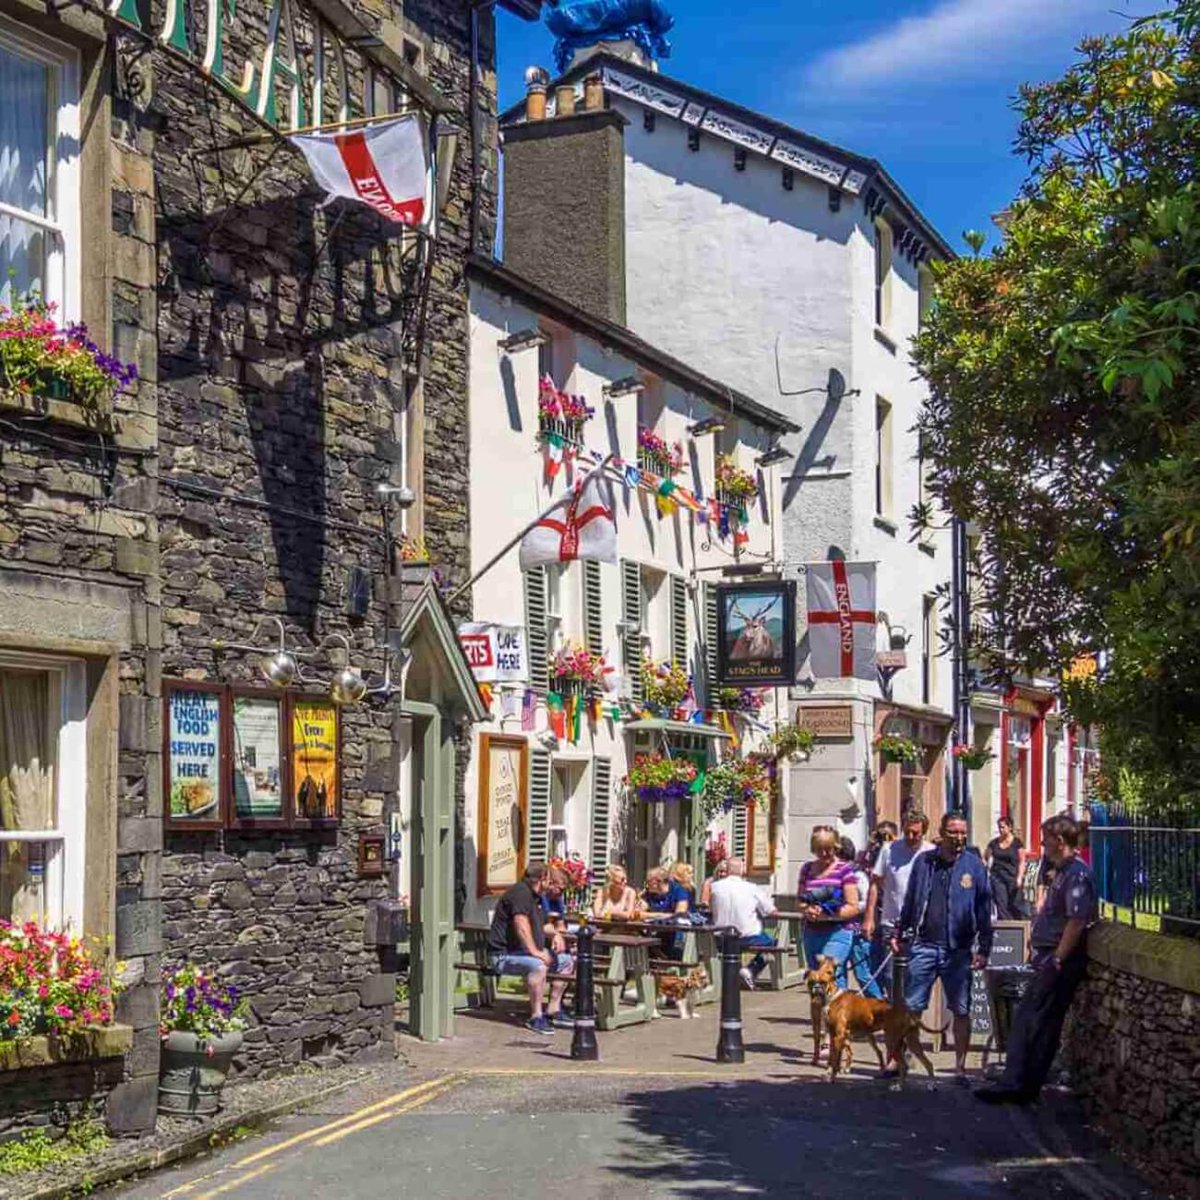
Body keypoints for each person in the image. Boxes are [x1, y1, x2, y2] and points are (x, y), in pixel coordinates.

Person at [976, 814, 1097, 1105]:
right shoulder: (1063, 871)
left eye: (1044, 840)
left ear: (1058, 841)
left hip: (1058, 960)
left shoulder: (1077, 874)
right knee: (1039, 1024)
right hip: (1050, 955)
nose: (1041, 845)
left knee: (1031, 1020)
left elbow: (1077, 921)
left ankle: (1016, 1084)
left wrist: (1057, 958)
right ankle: (1023, 1085)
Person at [894, 811, 993, 1083]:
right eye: (953, 832)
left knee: (961, 1009)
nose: (959, 837)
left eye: (963, 832)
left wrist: (984, 948)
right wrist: (900, 932)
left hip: (958, 950)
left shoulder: (974, 866)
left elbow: (984, 910)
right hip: (924, 945)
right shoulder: (925, 862)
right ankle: (906, 1061)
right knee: (912, 1006)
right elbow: (911, 899)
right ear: (941, 832)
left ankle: (960, 1068)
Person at [487, 862, 575, 1035]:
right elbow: (521, 924)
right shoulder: (520, 893)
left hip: (523, 953)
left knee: (566, 962)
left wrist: (556, 934)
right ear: (542, 879)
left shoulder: (536, 897)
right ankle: (535, 1016)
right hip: (504, 955)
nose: (550, 884)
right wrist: (535, 952)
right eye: (549, 880)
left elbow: (542, 925)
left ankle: (553, 1010)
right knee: (538, 966)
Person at [864, 810, 935, 998]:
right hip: (892, 923)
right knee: (890, 976)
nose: (911, 837)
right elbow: (875, 883)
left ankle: (910, 1018)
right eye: (907, 832)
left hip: (921, 926)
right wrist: (869, 917)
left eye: (916, 833)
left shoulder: (930, 853)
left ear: (924, 832)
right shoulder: (889, 849)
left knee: (916, 975)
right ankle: (896, 1017)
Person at [797, 827, 862, 990]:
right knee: (815, 978)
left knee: (830, 975)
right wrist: (807, 910)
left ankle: (838, 1014)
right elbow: (800, 900)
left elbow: (853, 906)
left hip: (837, 931)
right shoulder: (806, 869)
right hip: (811, 932)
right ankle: (818, 1015)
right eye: (820, 850)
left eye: (829, 849)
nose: (824, 853)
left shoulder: (844, 870)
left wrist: (827, 915)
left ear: (836, 847)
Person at [710, 856, 778, 989]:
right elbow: (771, 911)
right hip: (747, 937)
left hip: (720, 937)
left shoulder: (714, 887)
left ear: (727, 870)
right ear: (742, 870)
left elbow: (710, 908)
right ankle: (751, 970)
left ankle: (728, 977)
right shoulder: (752, 888)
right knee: (773, 943)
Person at [836, 836, 883, 999]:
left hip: (855, 933)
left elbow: (867, 901)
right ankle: (841, 1007)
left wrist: (850, 907)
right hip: (837, 932)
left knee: (863, 973)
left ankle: (878, 1004)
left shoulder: (858, 876)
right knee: (838, 972)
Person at [985, 816, 1028, 919]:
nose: (1000, 830)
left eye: (1003, 827)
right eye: (999, 827)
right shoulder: (994, 843)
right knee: (1001, 903)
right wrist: (986, 871)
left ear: (1010, 828)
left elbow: (1022, 861)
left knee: (1016, 904)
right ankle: (1006, 930)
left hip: (1012, 877)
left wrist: (1020, 877)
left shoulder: (1017, 843)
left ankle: (1020, 928)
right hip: (998, 877)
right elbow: (985, 857)